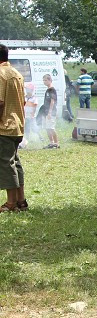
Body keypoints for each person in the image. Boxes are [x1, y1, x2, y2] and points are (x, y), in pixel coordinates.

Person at [0, 44, 28, 212]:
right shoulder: (17, 74)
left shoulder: (1, 74)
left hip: (4, 126)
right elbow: (23, 101)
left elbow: (0, 102)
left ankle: (10, 203)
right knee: (15, 162)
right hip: (17, 125)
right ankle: (21, 200)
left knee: (6, 163)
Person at [41, 74, 59, 149]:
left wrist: (50, 112)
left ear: (50, 80)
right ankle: (51, 142)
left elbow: (52, 101)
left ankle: (57, 143)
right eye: (43, 80)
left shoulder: (52, 90)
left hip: (51, 112)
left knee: (51, 128)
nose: (44, 82)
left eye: (45, 80)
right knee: (47, 128)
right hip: (46, 111)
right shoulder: (48, 90)